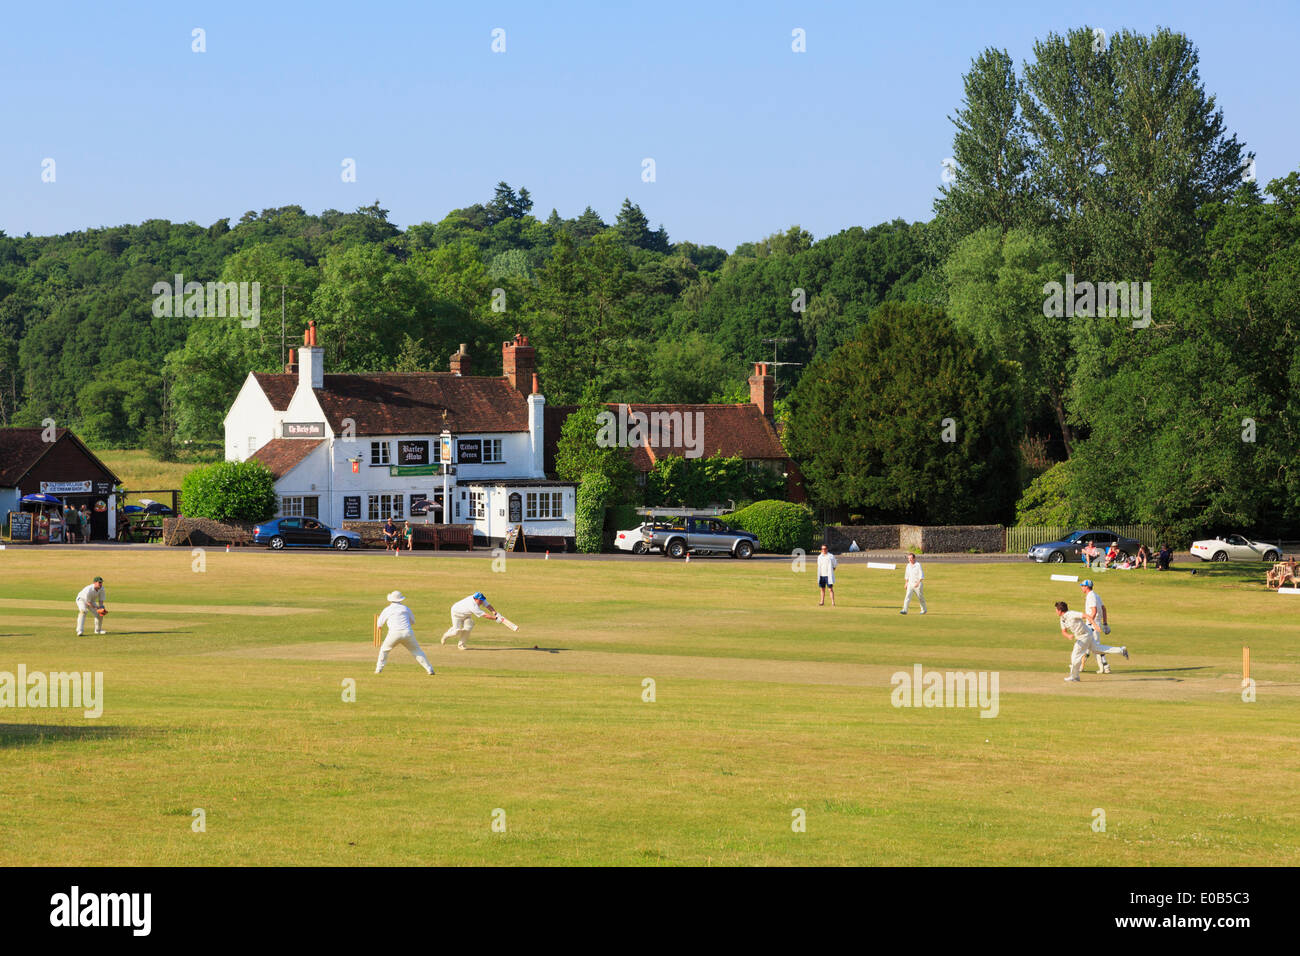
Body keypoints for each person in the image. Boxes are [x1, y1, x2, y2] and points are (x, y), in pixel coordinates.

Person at [1056, 601, 1128, 682]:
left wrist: (1095, 625)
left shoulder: (1071, 614)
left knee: (1075, 655)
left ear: (1059, 610)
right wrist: (1068, 636)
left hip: (1084, 635)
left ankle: (1074, 677)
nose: (1056, 611)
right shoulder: (1062, 619)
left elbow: (1086, 616)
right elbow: (1063, 631)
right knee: (1097, 649)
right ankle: (1121, 650)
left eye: (1056, 610)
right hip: (1082, 636)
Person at [374, 591, 434, 675]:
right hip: (407, 632)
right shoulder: (406, 608)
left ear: (390, 600)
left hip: (394, 633)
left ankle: (378, 669)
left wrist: (380, 626)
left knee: (384, 650)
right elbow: (413, 621)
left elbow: (379, 624)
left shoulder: (387, 609)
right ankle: (429, 669)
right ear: (400, 599)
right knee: (417, 651)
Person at [1079, 580, 1111, 673]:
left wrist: (1090, 623)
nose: (1081, 587)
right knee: (1088, 645)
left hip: (1092, 623)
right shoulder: (1096, 595)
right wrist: (1105, 623)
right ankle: (1080, 666)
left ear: (1086, 587)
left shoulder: (1091, 596)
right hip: (1095, 622)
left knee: (1095, 646)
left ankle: (1106, 666)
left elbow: (1094, 611)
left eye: (1082, 586)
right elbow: (1104, 609)